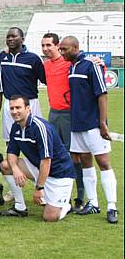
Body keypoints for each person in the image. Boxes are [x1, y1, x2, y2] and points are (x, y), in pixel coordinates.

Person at [60, 36, 118, 224]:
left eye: (65, 49)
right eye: (60, 49)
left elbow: (102, 94)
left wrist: (102, 123)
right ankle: (93, 203)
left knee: (103, 161)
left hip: (93, 123)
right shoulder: (72, 67)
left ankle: (111, 206)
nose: (62, 52)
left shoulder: (90, 65)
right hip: (77, 124)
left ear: (76, 47)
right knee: (85, 161)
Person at [0, 95, 75, 222]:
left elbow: (46, 161)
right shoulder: (15, 127)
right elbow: (11, 152)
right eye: (11, 108)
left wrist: (39, 188)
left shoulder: (40, 127)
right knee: (6, 165)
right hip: (39, 168)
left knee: (49, 217)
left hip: (59, 173)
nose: (14, 111)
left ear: (28, 108)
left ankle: (66, 204)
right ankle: (20, 207)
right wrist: (15, 169)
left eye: (18, 107)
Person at [41, 32, 85, 211]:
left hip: (68, 114)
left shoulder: (69, 63)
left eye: (49, 45)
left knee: (74, 154)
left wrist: (99, 64)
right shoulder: (45, 65)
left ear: (57, 46)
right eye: (43, 46)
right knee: (55, 154)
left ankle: (79, 195)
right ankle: (58, 195)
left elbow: (88, 68)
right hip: (54, 114)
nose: (45, 49)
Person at [0, 27, 46, 141]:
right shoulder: (3, 57)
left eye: (14, 36)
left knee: (35, 138)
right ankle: (12, 159)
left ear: (22, 39)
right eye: (8, 37)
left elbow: (45, 79)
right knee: (10, 139)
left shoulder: (33, 58)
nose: (10, 39)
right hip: (9, 103)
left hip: (30, 103)